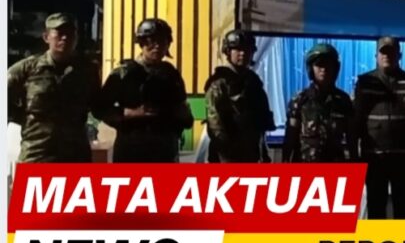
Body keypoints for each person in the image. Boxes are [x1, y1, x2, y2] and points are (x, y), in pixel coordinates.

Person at [95, 18, 193, 162]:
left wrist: (181, 115)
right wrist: (131, 113)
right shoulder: (124, 74)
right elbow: (99, 109)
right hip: (132, 151)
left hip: (165, 150)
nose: (157, 46)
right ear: (141, 43)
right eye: (151, 41)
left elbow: (184, 112)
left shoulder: (171, 74)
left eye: (162, 41)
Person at [354, 36, 405, 219]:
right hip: (374, 158)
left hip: (403, 158)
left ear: (399, 55)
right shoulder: (365, 82)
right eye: (383, 52)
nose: (387, 56)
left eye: (391, 52)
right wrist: (354, 155)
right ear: (376, 56)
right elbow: (355, 121)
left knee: (403, 210)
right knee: (376, 208)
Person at [7, 13, 101, 162]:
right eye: (59, 33)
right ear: (46, 37)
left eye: (70, 34)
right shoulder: (27, 69)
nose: (65, 38)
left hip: (75, 155)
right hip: (37, 154)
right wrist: (22, 117)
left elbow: (99, 106)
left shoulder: (87, 71)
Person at [204, 30, 276, 163]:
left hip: (252, 152)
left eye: (247, 49)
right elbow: (215, 124)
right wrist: (227, 154)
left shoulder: (253, 81)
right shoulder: (220, 82)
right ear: (228, 51)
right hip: (227, 154)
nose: (243, 53)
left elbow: (260, 122)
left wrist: (263, 153)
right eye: (238, 49)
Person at [283, 43, 356, 162]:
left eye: (328, 64)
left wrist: (355, 161)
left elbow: (351, 137)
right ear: (311, 68)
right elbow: (290, 137)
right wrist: (285, 162)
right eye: (319, 64)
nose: (324, 69)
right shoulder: (300, 99)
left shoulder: (343, 100)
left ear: (335, 68)